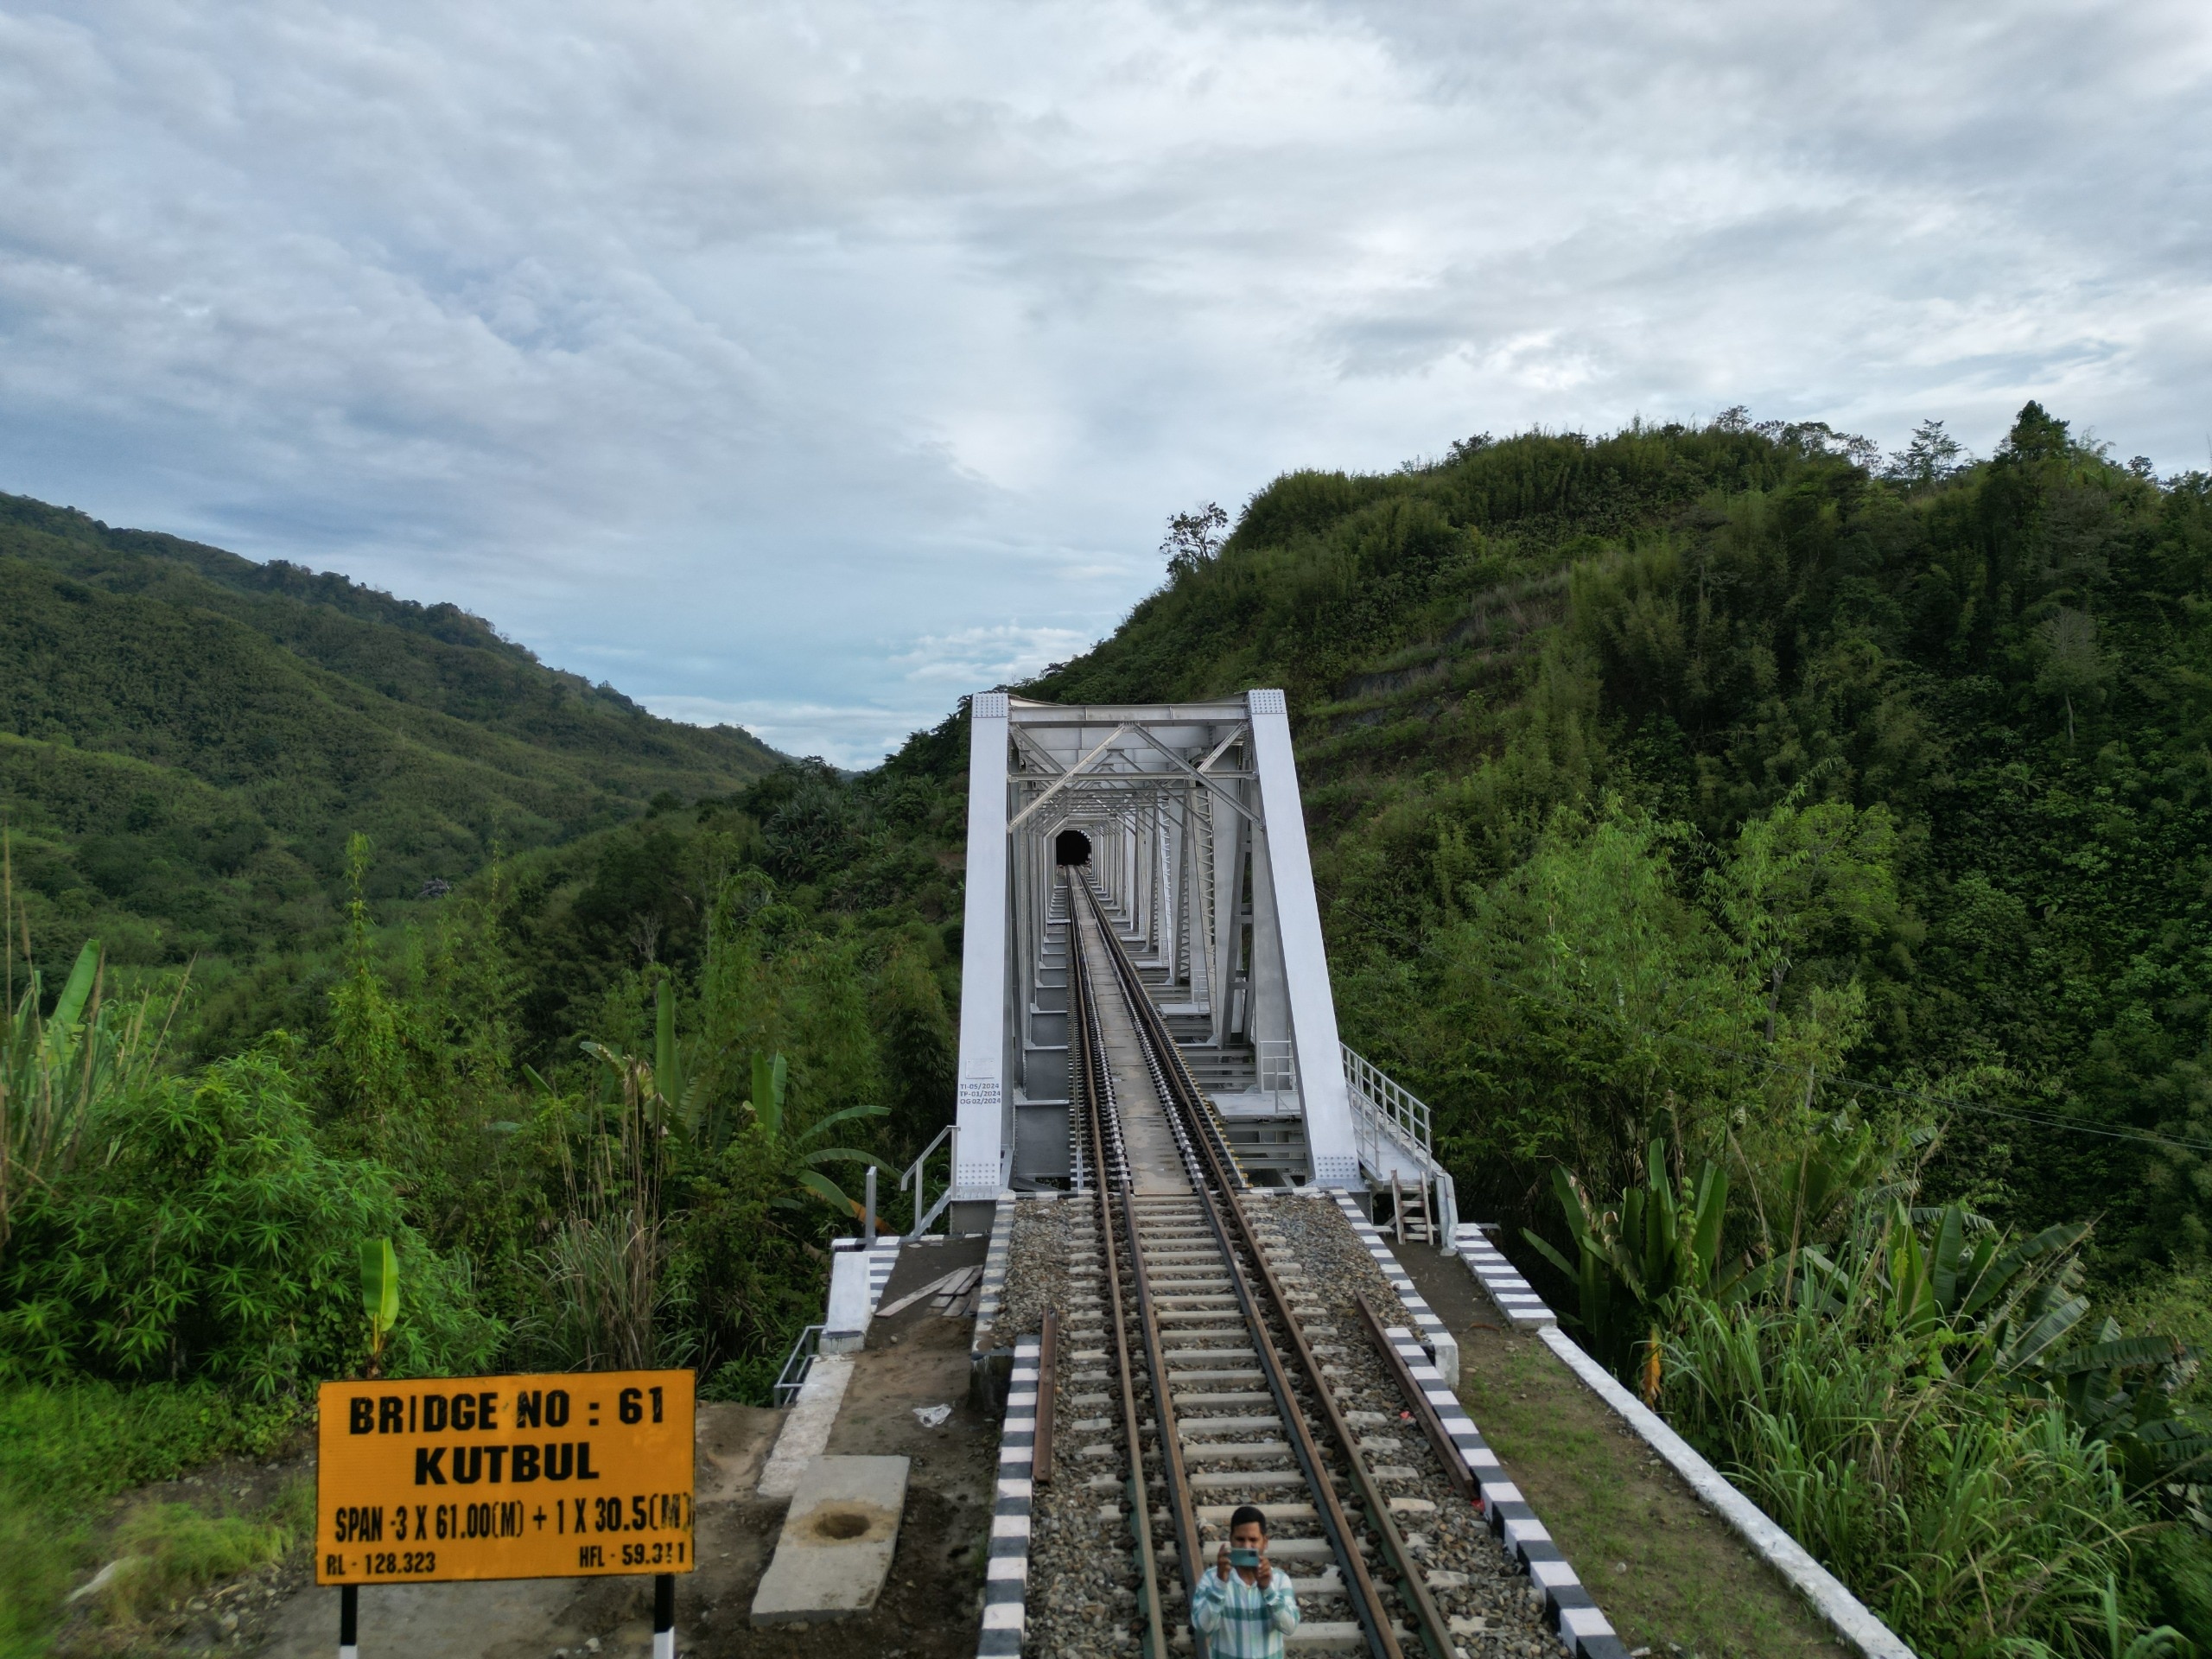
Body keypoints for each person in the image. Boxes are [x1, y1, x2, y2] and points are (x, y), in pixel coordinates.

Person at [1188, 1503, 1299, 1657]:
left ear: (1265, 1542)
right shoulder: (1212, 1578)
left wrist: (1268, 1589)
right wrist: (1220, 1584)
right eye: (1240, 1539)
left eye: (1253, 1540)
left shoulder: (1279, 1580)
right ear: (1231, 1540)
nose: (1247, 1546)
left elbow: (1290, 1627)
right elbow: (1202, 1628)